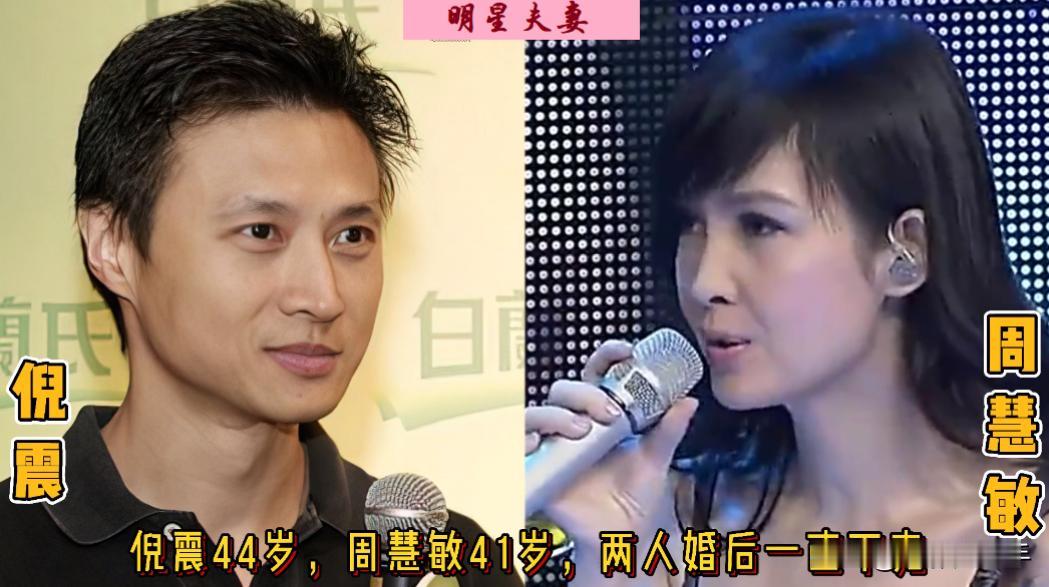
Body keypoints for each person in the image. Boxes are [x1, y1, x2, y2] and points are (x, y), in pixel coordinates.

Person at [0, 1, 519, 585]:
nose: (323, 297)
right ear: (113, 246)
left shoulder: (444, 564)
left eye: (351, 236)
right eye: (261, 232)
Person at [525, 9, 1049, 587]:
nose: (705, 281)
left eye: (760, 225)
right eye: (691, 225)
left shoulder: (1025, 543)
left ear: (905, 252)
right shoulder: (670, 527)